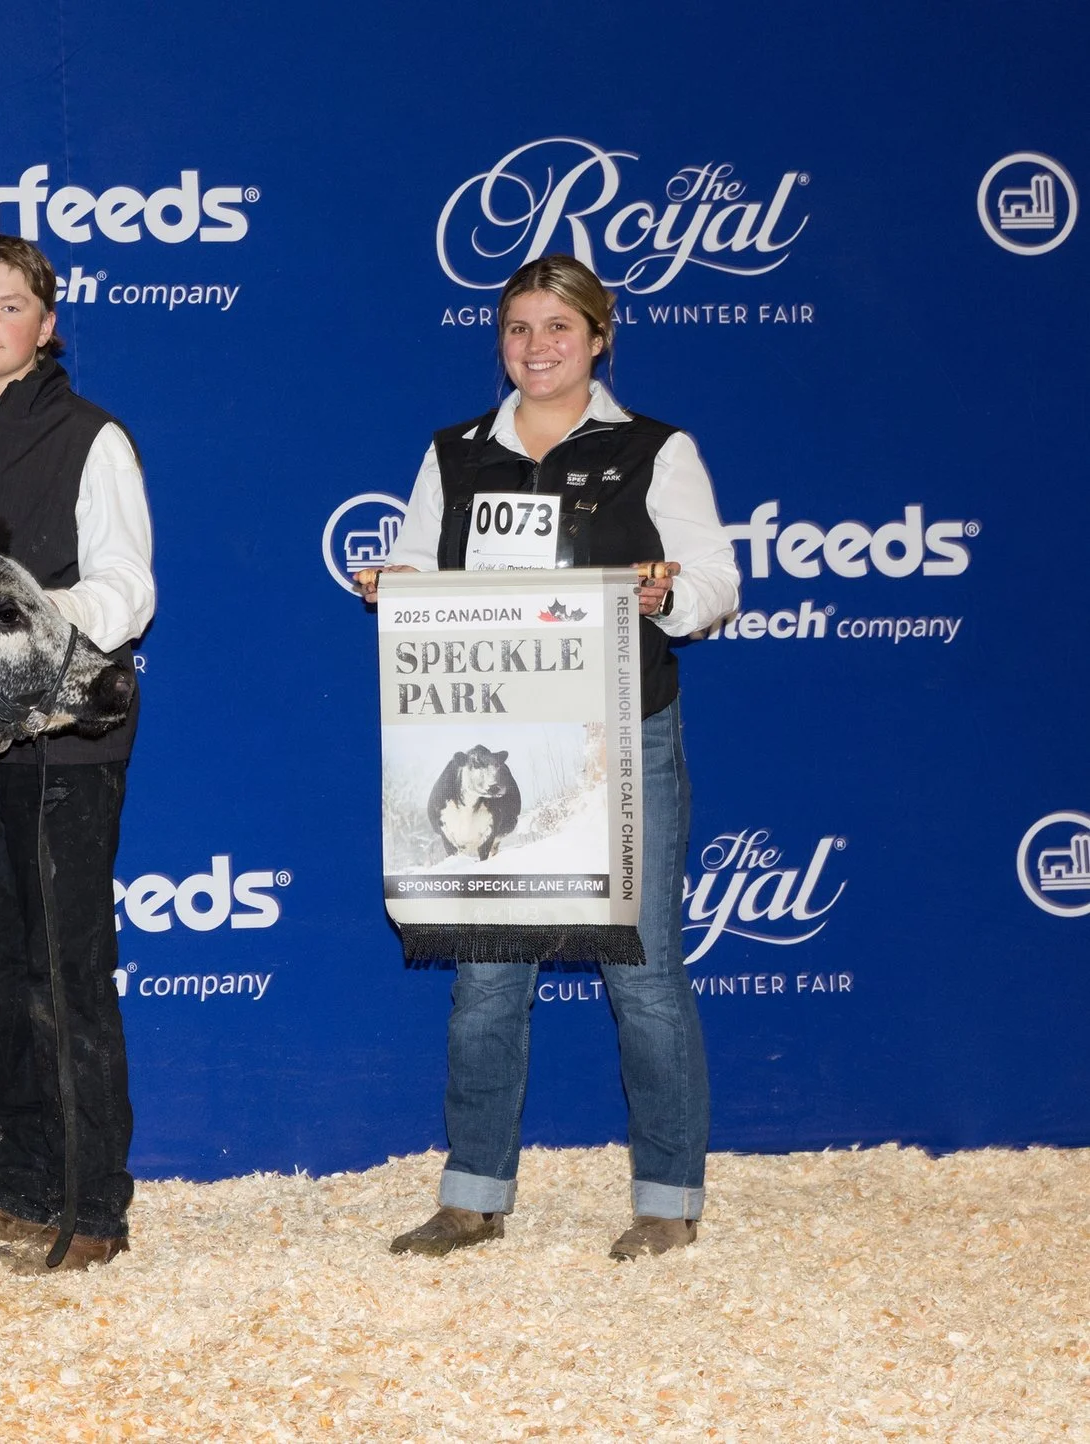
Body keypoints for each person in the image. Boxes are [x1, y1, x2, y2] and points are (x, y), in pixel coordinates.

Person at [362, 253, 739, 1261]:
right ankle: (472, 1194)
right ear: (499, 340)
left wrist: (669, 593)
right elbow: (413, 561)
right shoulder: (452, 453)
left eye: (557, 329)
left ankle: (667, 1198)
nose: (535, 348)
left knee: (646, 973)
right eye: (518, 329)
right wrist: (390, 588)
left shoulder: (656, 450)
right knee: (487, 978)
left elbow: (713, 580)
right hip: (486, 744)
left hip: (621, 738)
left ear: (598, 337)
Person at [0, 234, 155, 1273]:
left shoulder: (91, 437)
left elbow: (127, 590)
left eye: (10, 308)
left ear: (45, 326)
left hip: (64, 736)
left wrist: (17, 613)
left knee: (68, 972)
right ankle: (21, 1188)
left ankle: (94, 1206)